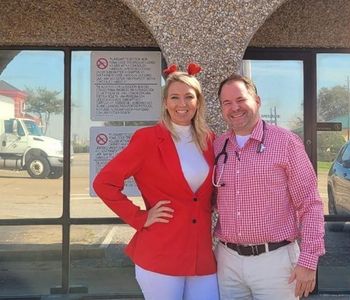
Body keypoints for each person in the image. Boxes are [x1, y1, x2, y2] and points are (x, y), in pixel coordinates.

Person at [93, 66, 219, 300]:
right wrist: (140, 217)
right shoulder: (147, 139)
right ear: (165, 103)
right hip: (161, 251)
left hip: (201, 254)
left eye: (189, 96)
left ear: (198, 102)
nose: (182, 103)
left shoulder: (209, 140)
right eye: (174, 97)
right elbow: (104, 183)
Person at [212, 74, 325, 299]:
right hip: (227, 262)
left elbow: (310, 203)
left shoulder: (286, 142)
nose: (234, 107)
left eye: (241, 99)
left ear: (257, 100)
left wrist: (309, 260)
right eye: (227, 103)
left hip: (275, 263)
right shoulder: (218, 145)